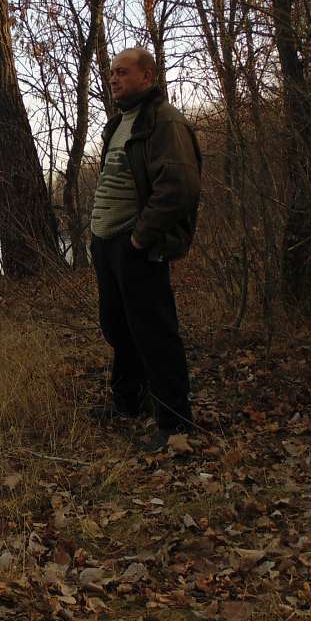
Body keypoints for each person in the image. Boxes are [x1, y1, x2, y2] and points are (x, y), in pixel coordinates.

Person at [88, 47, 202, 452]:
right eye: (111, 72)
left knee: (154, 331)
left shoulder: (164, 122)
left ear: (147, 77)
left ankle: (174, 422)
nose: (113, 78)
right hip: (108, 246)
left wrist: (139, 238)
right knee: (118, 327)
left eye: (122, 72)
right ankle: (128, 402)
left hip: (135, 246)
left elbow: (179, 188)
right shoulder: (118, 124)